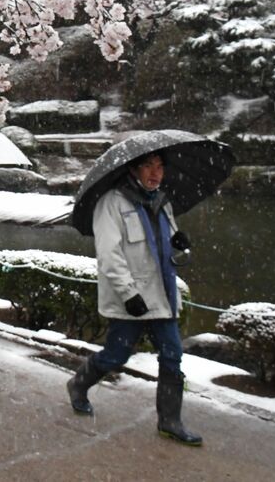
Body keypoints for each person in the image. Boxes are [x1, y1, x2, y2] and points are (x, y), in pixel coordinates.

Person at [66, 151, 202, 446]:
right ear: (132, 169)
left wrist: (178, 240)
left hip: (163, 295)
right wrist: (129, 294)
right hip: (133, 299)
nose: (155, 173)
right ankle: (78, 383)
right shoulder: (111, 203)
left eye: (159, 167)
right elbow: (109, 254)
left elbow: (165, 240)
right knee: (116, 356)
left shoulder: (162, 202)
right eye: (147, 166)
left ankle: (170, 420)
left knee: (172, 355)